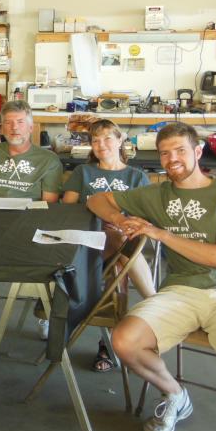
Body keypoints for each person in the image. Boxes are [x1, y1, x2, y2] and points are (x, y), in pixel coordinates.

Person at [87, 122, 216, 431]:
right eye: (165, 153)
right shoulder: (157, 194)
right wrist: (121, 219)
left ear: (198, 152)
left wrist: (160, 233)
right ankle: (175, 394)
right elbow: (96, 199)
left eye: (180, 151)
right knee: (123, 340)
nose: (172, 159)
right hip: (180, 290)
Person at [61, 119, 156, 371]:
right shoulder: (83, 172)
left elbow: (146, 215)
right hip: (85, 236)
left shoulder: (136, 176)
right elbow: (66, 209)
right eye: (95, 140)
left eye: (107, 138)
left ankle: (99, 336)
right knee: (119, 257)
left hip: (121, 238)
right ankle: (152, 302)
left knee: (119, 257)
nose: (101, 145)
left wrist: (123, 224)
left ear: (120, 140)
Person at [0, 100, 63, 314]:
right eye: (8, 122)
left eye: (20, 122)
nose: (14, 127)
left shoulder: (48, 160)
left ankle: (45, 311)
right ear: (1, 128)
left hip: (25, 228)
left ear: (31, 127)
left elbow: (48, 206)